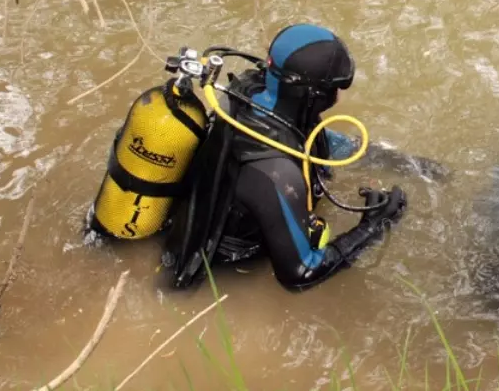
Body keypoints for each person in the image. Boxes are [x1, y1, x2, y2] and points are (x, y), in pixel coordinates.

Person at [164, 24, 407, 291]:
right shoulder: (274, 172)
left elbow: (324, 142)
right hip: (225, 272)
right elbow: (301, 274)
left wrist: (403, 163)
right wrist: (374, 225)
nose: (338, 98)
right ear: (312, 95)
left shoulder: (251, 92)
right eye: (335, 89)